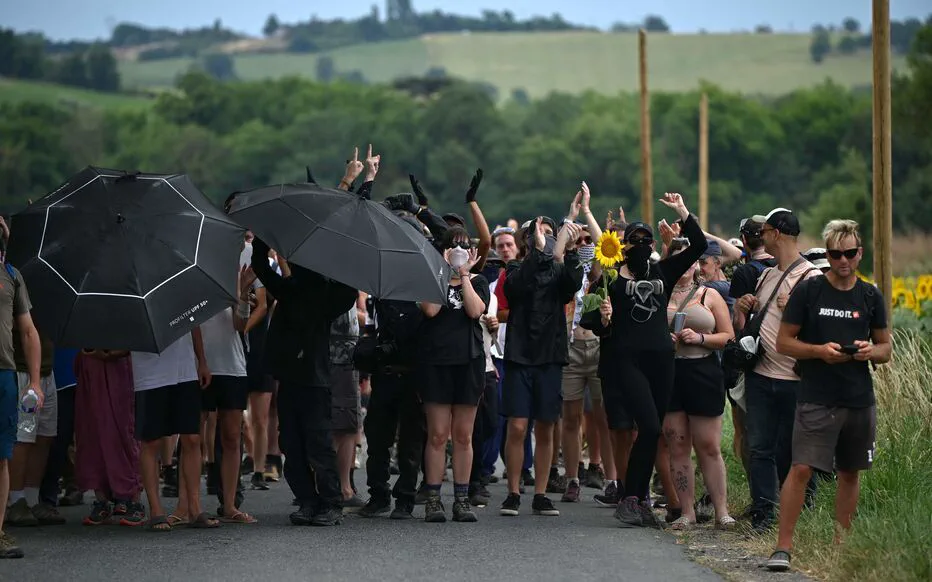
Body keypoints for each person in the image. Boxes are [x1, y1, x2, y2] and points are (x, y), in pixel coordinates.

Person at [766, 220, 890, 572]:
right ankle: (783, 547)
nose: (842, 261)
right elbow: (784, 342)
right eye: (835, 254)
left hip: (857, 397)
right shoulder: (811, 291)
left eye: (849, 253)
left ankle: (841, 544)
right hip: (816, 395)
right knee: (802, 467)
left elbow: (886, 347)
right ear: (828, 255)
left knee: (850, 472)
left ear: (859, 253)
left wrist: (868, 351)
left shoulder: (870, 295)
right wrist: (819, 350)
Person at [587, 193, 707, 528]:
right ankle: (631, 497)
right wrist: (606, 318)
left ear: (652, 244)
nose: (640, 245)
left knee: (654, 434)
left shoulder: (664, 270)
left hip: (661, 360)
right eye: (634, 240)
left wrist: (683, 211)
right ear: (624, 245)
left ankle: (636, 500)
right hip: (627, 360)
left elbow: (698, 246)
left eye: (646, 240)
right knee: (650, 426)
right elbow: (590, 320)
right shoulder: (610, 278)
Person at [251, 237, 358, 526]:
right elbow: (260, 266)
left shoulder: (320, 293)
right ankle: (313, 501)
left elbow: (259, 264)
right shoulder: (296, 289)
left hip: (311, 378)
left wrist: (264, 239)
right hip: (297, 375)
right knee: (297, 443)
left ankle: (327, 502)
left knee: (312, 443)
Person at [733, 208, 821, 533]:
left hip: (794, 379)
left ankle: (800, 515)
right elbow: (752, 324)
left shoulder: (811, 278)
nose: (760, 236)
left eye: (765, 231)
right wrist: (744, 309)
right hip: (760, 375)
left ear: (777, 234)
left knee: (792, 453)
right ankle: (763, 517)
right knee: (759, 449)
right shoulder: (767, 275)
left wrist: (794, 311)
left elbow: (821, 330)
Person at [417, 227, 490, 522]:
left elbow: (475, 312)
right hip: (436, 363)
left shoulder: (480, 280)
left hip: (469, 362)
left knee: (463, 435)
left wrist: (466, 276)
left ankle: (462, 498)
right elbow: (431, 311)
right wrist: (444, 272)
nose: (458, 250)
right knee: (437, 434)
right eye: (453, 246)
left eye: (463, 246)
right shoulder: (431, 279)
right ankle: (433, 499)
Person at [663, 241, 737, 530]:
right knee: (677, 443)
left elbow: (728, 336)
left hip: (703, 369)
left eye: (690, 259)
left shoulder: (710, 295)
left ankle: (722, 511)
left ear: (696, 264)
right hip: (670, 371)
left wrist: (701, 338)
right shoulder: (661, 293)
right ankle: (686, 511)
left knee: (708, 444)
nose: (685, 265)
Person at [0, 246, 41, 559]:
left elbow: (28, 330)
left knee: (2, 456)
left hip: (5, 374)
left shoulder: (12, 274)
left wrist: (37, 381)